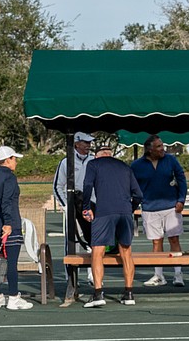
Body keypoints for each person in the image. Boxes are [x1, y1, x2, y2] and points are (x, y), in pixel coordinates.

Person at [81, 145, 143, 308]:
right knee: (126, 252)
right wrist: (130, 208)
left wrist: (86, 207)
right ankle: (129, 293)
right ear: (111, 154)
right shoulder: (124, 166)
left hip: (104, 212)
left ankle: (98, 293)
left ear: (97, 156)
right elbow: (139, 194)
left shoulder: (93, 165)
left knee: (97, 251)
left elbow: (87, 185)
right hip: (124, 212)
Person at [130, 134, 188, 286]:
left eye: (162, 145)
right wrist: (137, 200)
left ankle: (178, 275)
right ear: (149, 150)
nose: (163, 149)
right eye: (159, 146)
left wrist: (181, 200)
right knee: (156, 242)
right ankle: (159, 275)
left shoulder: (171, 160)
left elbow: (181, 179)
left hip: (171, 207)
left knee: (174, 239)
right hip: (149, 208)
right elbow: (130, 185)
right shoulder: (136, 165)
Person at [0, 145, 32, 310]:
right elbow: (7, 203)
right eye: (14, 159)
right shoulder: (10, 178)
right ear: (7, 160)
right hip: (9, 225)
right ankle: (13, 298)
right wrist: (8, 224)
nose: (16, 162)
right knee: (11, 264)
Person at [53, 131, 95, 299]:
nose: (88, 145)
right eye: (85, 142)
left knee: (94, 241)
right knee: (72, 242)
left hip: (91, 207)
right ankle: (71, 279)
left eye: (89, 142)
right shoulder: (66, 162)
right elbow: (57, 186)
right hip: (73, 206)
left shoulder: (93, 161)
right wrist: (66, 206)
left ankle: (94, 275)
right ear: (76, 143)